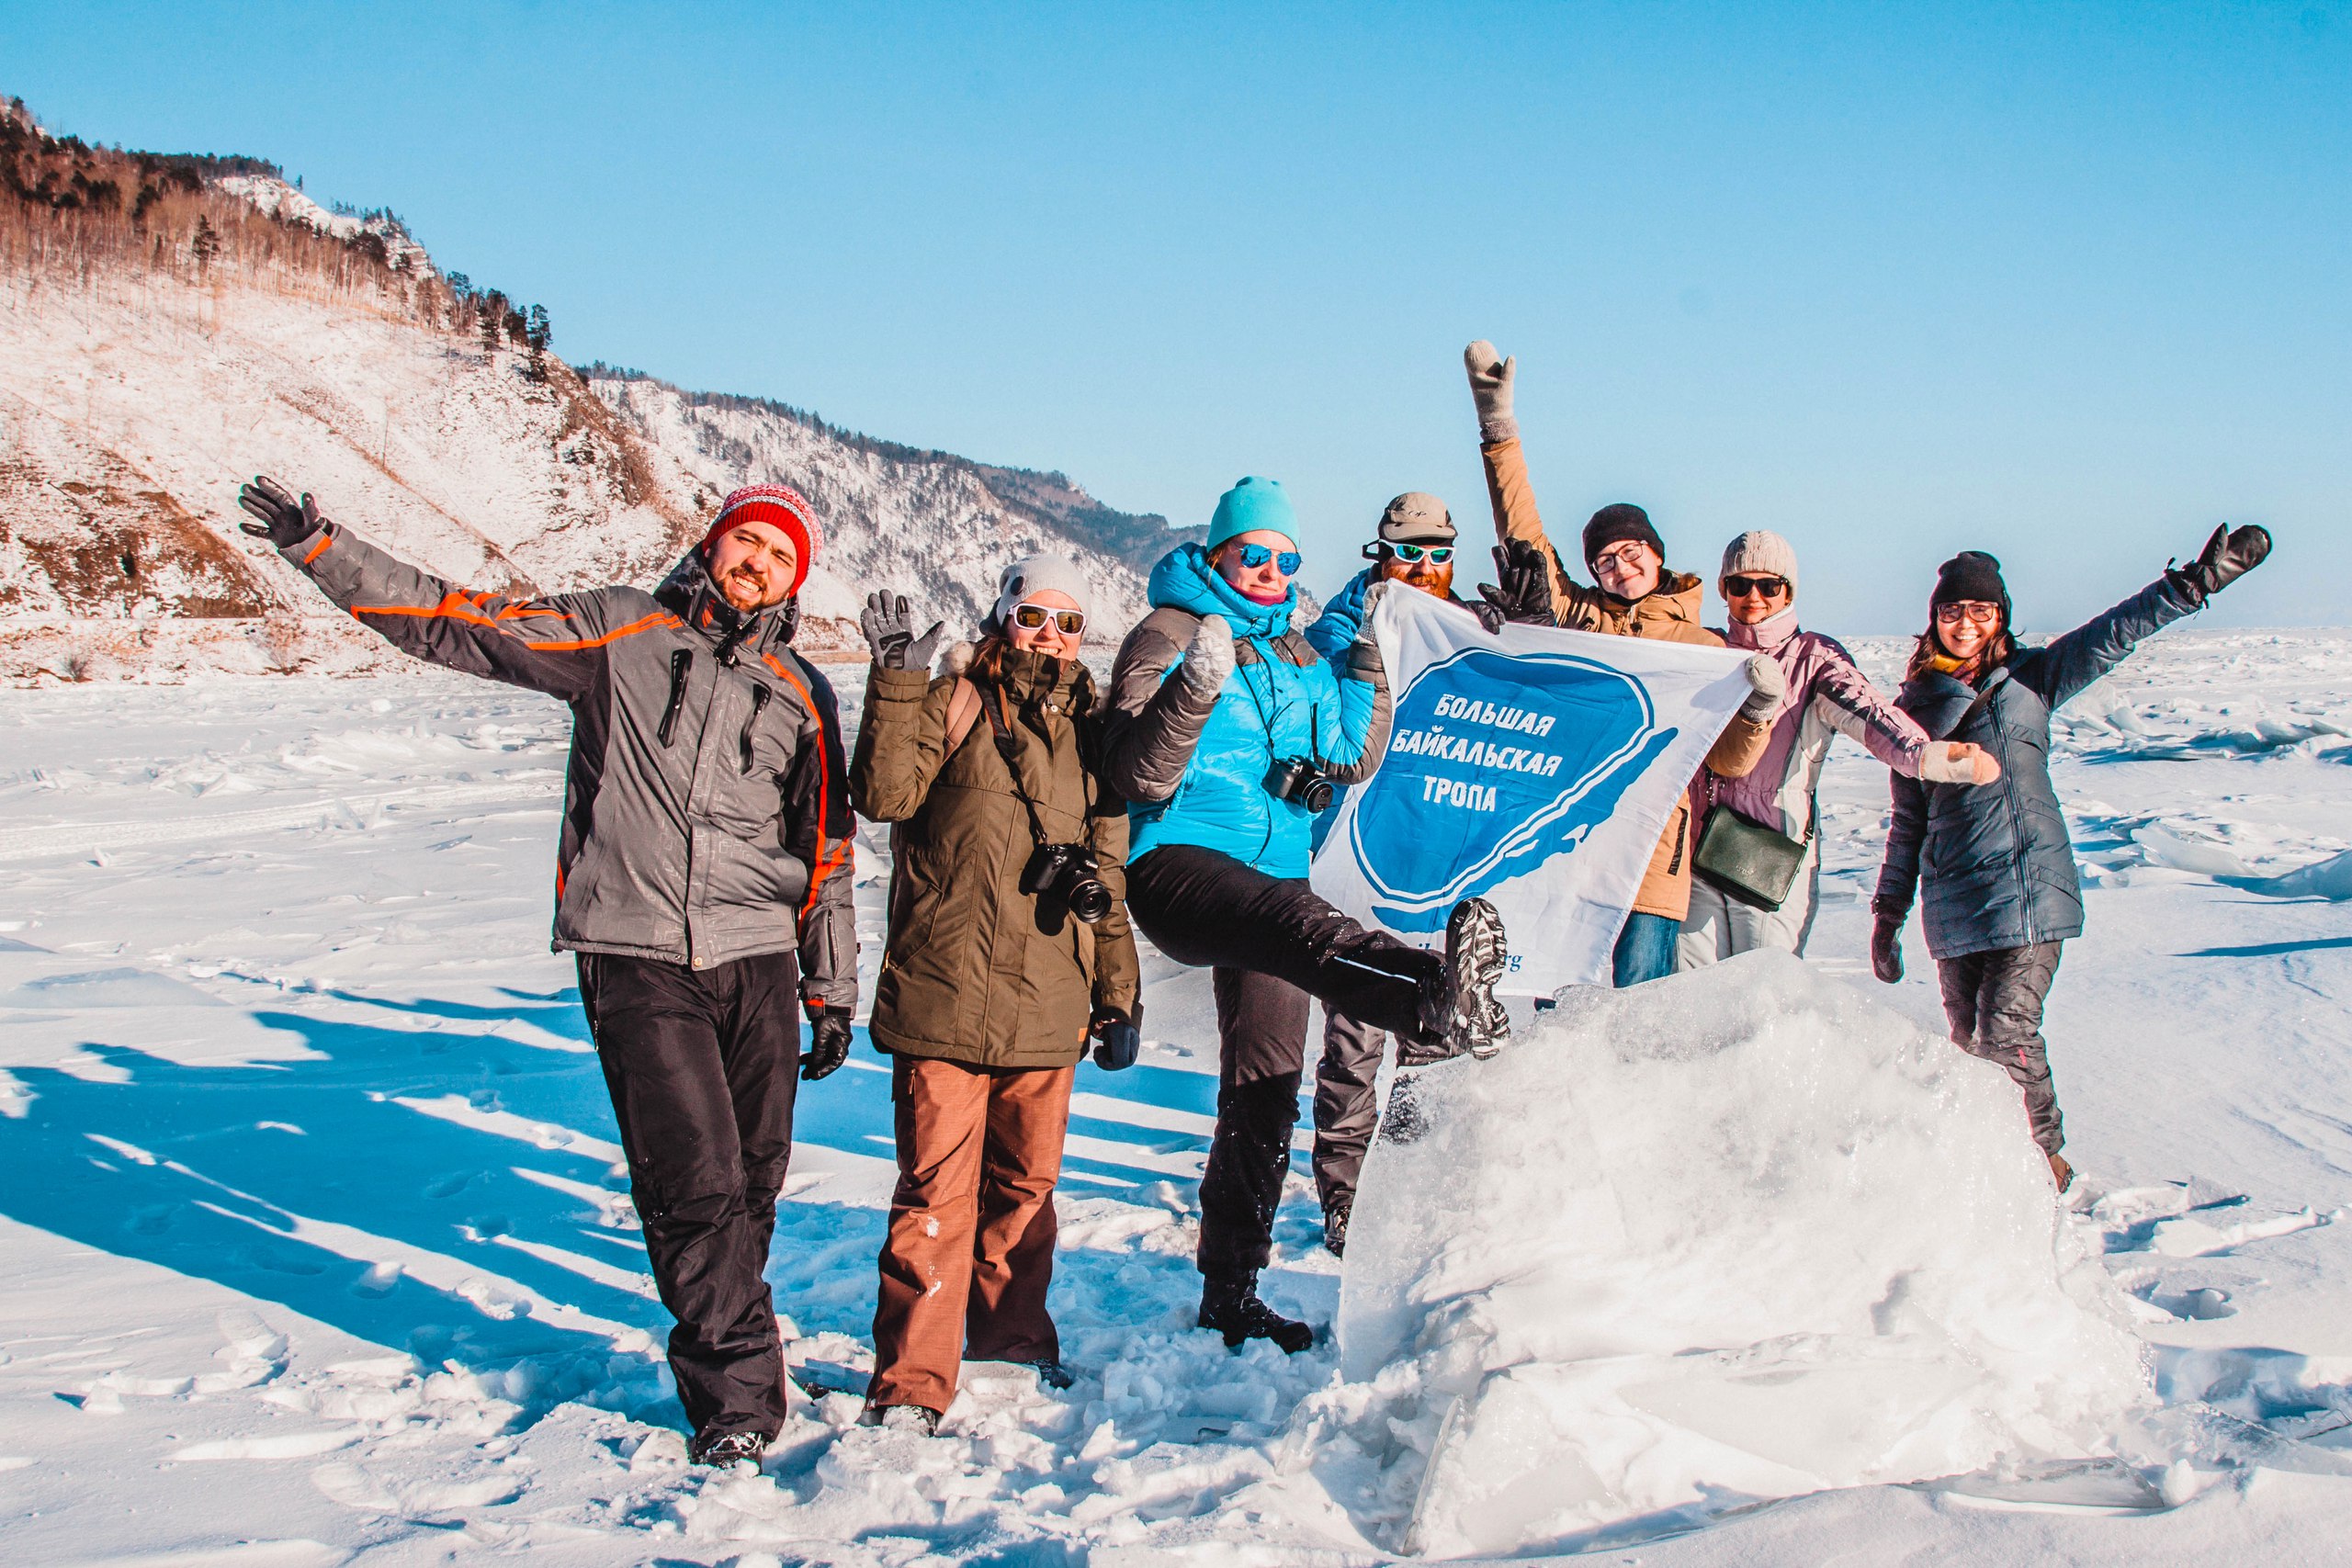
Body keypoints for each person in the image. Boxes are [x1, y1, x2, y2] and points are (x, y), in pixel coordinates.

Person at [234, 476, 856, 1468]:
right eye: (749, 542)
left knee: (752, 1180)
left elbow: (826, 853)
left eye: (782, 557)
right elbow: (458, 622)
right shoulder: (621, 630)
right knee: (693, 1185)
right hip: (637, 950)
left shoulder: (802, 693)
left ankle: (739, 1342)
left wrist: (830, 989)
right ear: (713, 544)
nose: (759, 565)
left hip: (759, 960)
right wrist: (325, 551)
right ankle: (739, 1394)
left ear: (796, 580)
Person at [1106, 476, 1510, 1353]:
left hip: (1276, 872)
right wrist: (1195, 688)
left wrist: (1366, 668)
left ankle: (1230, 1288)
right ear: (1218, 554)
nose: (1270, 568)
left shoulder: (1296, 652)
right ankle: (1433, 992)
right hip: (1179, 863)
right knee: (1309, 935)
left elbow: (1348, 755)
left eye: (1286, 558)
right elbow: (1136, 775)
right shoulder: (1169, 634)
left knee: (1265, 1086)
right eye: (1253, 553)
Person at [1872, 529, 2272, 1190]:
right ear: (1934, 619)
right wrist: (1888, 912)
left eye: (1980, 610)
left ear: (1999, 617)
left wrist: (2193, 585)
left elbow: (2113, 633)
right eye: (1952, 611)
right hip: (1954, 903)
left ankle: (2046, 1164)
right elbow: (1907, 822)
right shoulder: (1911, 712)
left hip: (2028, 886)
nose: (1965, 623)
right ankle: (1989, 1172)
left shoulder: (2029, 679)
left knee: (2006, 1033)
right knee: (1970, 1047)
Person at [849, 556, 1141, 1435]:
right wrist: (898, 682)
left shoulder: (1096, 737)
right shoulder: (953, 702)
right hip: (944, 994)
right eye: (1034, 615)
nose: (1050, 635)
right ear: (1002, 615)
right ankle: (910, 1381)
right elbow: (882, 793)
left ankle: (1010, 1344)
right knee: (934, 1198)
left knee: (1025, 1192)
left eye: (1069, 622)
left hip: (1049, 1003)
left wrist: (1118, 994)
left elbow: (1108, 878)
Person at [1462, 342, 1779, 986]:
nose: (1621, 566)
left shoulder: (1702, 650)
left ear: (1657, 555)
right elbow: (1523, 537)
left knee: (1639, 1014)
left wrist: (1759, 708)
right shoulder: (1581, 622)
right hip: (1569, 846)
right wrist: (1499, 427)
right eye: (1605, 559)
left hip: (1653, 857)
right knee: (1563, 998)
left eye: (1632, 551)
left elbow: (1730, 761)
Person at [1299, 491, 1486, 1257]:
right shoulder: (1338, 629)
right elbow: (1318, 711)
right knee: (1353, 1041)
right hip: (1361, 865)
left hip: (1444, 861)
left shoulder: (1473, 628)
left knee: (1437, 1039)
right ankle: (1346, 1202)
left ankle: (1415, 1193)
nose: (1426, 566)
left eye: (1440, 551)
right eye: (1410, 552)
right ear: (1381, 553)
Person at [1678, 530, 2003, 968]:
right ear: (1724, 591)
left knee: (1762, 992)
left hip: (1772, 849)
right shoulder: (1707, 650)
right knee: (1691, 995)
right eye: (1740, 585)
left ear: (1788, 590)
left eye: (1769, 585)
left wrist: (1925, 755)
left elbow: (1868, 713)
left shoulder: (1814, 657)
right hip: (1698, 849)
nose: (1754, 596)